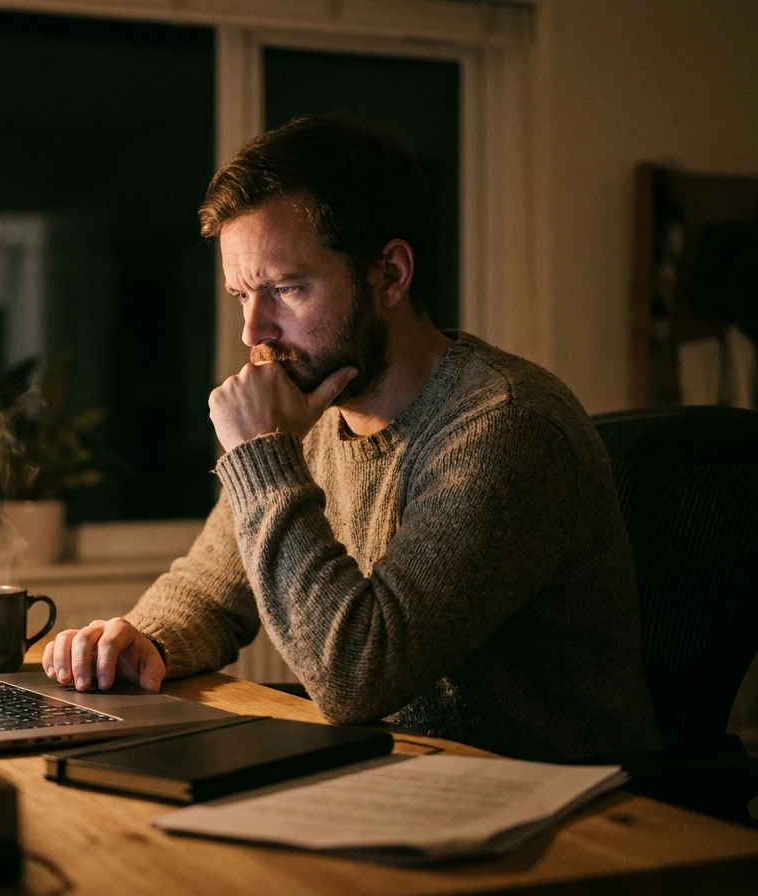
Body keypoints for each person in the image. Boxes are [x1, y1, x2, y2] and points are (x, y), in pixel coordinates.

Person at [41, 112, 662, 761]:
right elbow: (210, 587)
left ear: (390, 274)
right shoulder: (314, 417)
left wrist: (259, 454)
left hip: (562, 811)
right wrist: (147, 639)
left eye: (286, 289)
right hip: (398, 777)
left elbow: (357, 676)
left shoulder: (505, 427)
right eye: (240, 295)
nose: (254, 331)